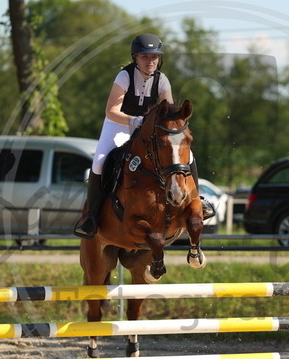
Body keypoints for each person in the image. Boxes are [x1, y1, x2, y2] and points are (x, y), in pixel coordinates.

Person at [74, 33, 214, 239]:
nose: (150, 61)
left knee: (189, 157)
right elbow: (111, 110)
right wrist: (134, 121)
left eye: (154, 57)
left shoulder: (162, 80)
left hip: (148, 130)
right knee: (99, 162)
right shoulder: (125, 76)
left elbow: (169, 113)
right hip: (119, 125)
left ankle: (196, 200)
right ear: (135, 57)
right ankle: (91, 217)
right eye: (145, 57)